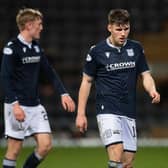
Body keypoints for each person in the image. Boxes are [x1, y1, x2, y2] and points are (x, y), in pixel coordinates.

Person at [76, 9, 160, 168]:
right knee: (116, 150)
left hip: (128, 111)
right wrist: (81, 114)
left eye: (126, 29)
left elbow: (146, 75)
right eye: (119, 29)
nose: (123, 33)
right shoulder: (97, 51)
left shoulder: (136, 48)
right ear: (109, 28)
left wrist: (152, 90)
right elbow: (86, 82)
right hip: (107, 110)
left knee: (127, 162)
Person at [1, 8, 75, 168]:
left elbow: (49, 72)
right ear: (28, 25)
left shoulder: (35, 47)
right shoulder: (12, 48)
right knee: (14, 151)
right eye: (39, 24)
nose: (41, 27)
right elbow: (5, 78)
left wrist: (63, 93)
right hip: (17, 105)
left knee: (45, 145)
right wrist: (15, 105)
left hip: (35, 105)